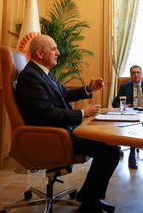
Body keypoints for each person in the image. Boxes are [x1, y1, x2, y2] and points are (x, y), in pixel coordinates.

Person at [15, 34, 120, 213]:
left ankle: (88, 198)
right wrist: (82, 113)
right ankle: (88, 205)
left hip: (61, 131)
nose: (58, 53)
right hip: (51, 136)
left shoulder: (43, 73)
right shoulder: (30, 76)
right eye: (54, 49)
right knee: (110, 152)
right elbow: (47, 113)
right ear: (39, 53)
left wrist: (89, 89)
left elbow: (65, 94)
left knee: (109, 147)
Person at [111, 65, 143, 169]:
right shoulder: (125, 87)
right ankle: (132, 155)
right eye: (134, 73)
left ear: (142, 74)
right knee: (134, 129)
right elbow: (115, 102)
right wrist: (122, 106)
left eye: (138, 72)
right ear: (131, 75)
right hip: (131, 114)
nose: (136, 75)